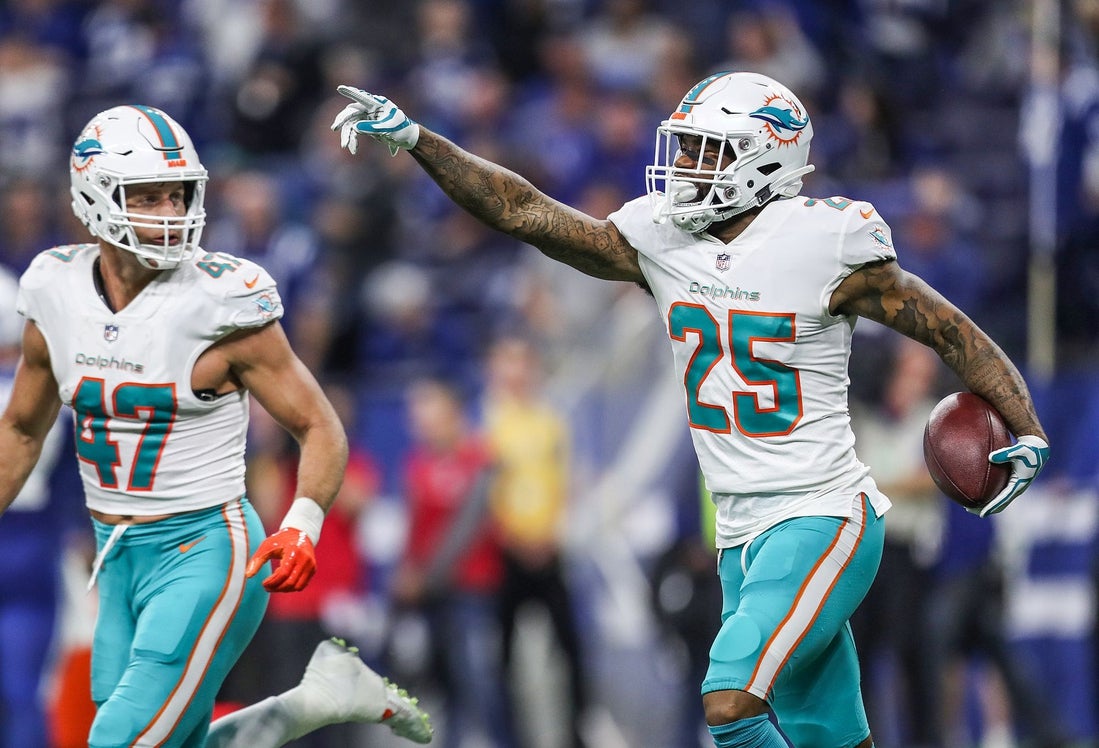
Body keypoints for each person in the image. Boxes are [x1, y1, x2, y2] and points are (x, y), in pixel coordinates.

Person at [331, 71, 1051, 747]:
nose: (684, 165)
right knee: (826, 733)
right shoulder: (663, 235)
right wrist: (420, 141)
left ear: (765, 160)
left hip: (819, 514)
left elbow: (947, 328)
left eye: (706, 151)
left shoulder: (824, 242)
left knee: (729, 702)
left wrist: (1024, 424)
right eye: (684, 147)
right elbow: (525, 212)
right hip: (737, 532)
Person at [0, 104, 431, 747]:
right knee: (165, 738)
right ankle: (312, 701)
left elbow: (318, 425)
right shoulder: (54, 288)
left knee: (121, 740)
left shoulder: (220, 302)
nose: (171, 212)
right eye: (148, 196)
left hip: (205, 549)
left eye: (177, 194)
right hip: (116, 555)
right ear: (94, 195)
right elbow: (21, 429)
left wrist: (302, 523)